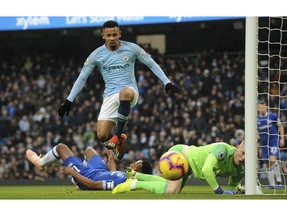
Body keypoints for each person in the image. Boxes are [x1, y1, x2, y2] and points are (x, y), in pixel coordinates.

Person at [58, 20, 180, 160]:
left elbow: (151, 63)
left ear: (119, 34)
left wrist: (166, 82)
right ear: (103, 36)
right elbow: (82, 78)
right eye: (109, 35)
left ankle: (117, 135)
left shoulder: (132, 48)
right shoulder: (96, 55)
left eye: (114, 35)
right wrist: (69, 100)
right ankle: (120, 141)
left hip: (129, 91)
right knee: (102, 135)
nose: (112, 38)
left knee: (125, 93)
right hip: (110, 95)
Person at [112, 140, 245, 195]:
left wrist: (234, 190)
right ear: (238, 147)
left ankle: (136, 175)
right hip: (182, 155)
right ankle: (133, 184)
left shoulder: (240, 169)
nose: (243, 158)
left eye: (247, 156)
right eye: (243, 153)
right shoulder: (223, 150)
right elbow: (206, 169)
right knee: (171, 190)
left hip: (190, 167)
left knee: (171, 187)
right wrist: (220, 191)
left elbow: (233, 186)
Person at [26, 143, 152, 190]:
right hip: (99, 171)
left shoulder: (124, 181)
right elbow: (112, 175)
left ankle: (40, 163)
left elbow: (94, 185)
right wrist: (111, 159)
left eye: (135, 166)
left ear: (140, 173)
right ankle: (78, 169)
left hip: (88, 176)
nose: (132, 164)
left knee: (61, 147)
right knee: (89, 150)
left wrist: (74, 173)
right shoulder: (124, 176)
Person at [257, 100, 284, 189]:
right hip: (264, 143)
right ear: (257, 108)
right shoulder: (257, 119)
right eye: (260, 107)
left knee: (273, 159)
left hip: (273, 140)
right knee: (266, 164)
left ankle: (279, 181)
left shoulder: (273, 116)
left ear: (266, 107)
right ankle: (272, 185)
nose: (262, 109)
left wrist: (282, 138)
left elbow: (280, 126)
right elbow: (256, 132)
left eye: (263, 106)